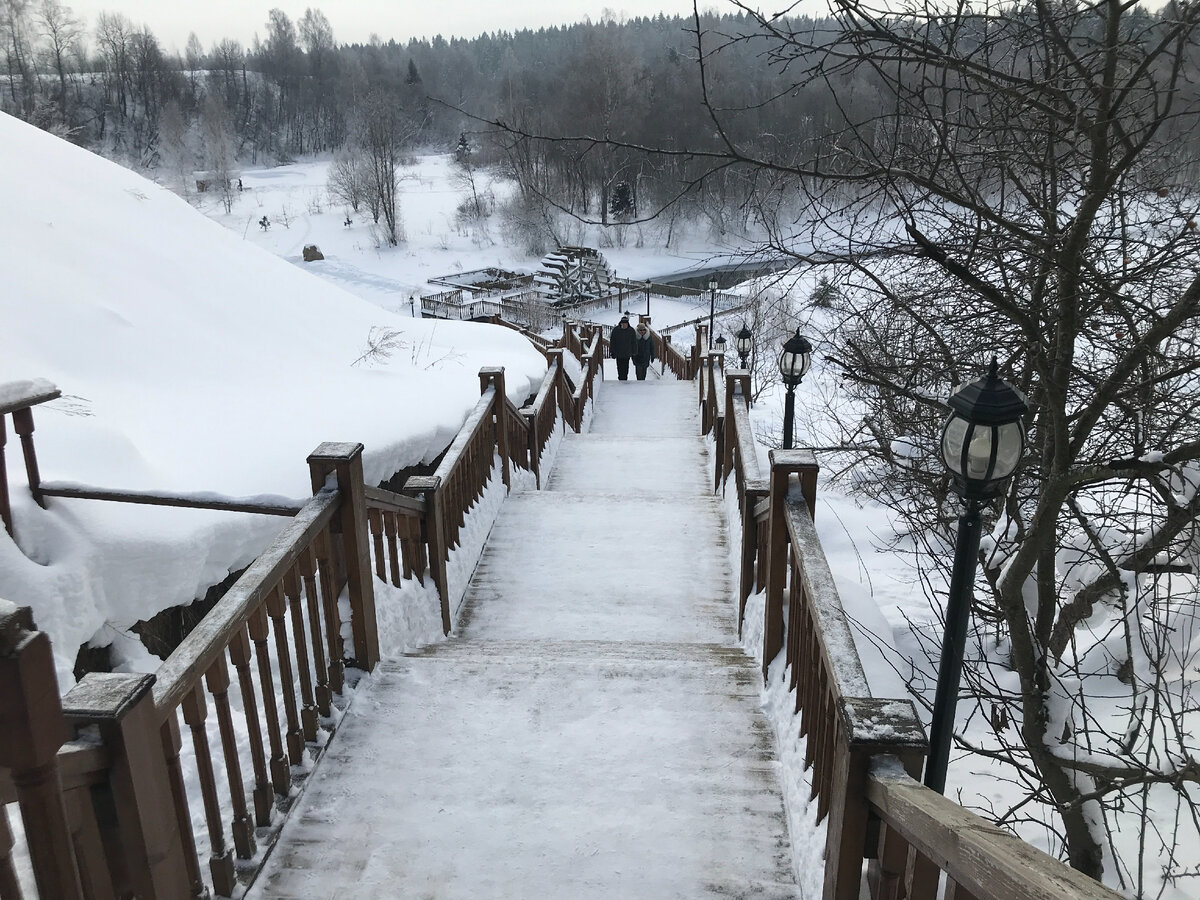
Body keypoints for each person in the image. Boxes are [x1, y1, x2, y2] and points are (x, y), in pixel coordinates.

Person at [609, 316, 636, 380]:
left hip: (627, 353)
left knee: (626, 367)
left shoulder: (631, 330)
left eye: (625, 323)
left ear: (627, 323)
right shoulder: (616, 330)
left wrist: (634, 351)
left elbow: (634, 342)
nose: (624, 324)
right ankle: (620, 378)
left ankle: (624, 378)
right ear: (620, 323)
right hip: (619, 353)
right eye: (623, 323)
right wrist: (612, 352)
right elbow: (612, 342)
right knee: (619, 367)